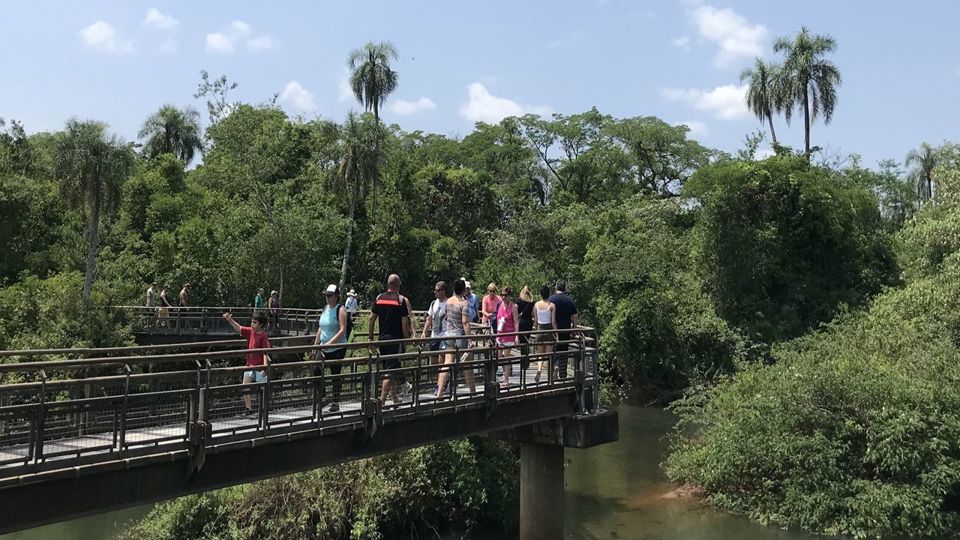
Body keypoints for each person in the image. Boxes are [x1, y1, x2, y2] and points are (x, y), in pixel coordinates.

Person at [369, 274, 411, 404]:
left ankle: (394, 398)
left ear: (388, 284)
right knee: (391, 370)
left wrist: (370, 337)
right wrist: (405, 337)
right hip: (395, 340)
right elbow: (405, 322)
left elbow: (371, 318)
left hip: (382, 339)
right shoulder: (400, 300)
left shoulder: (379, 298)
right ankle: (381, 401)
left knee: (388, 367)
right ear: (398, 285)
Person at [223, 311, 272, 415]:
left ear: (261, 324)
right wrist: (230, 320)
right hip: (250, 365)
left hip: (260, 366)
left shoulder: (264, 336)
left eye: (254, 322)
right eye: (252, 322)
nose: (252, 324)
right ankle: (248, 408)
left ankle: (264, 409)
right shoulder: (251, 331)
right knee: (245, 386)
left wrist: (264, 367)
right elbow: (239, 328)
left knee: (263, 389)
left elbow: (265, 352)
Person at [313, 284, 349, 412]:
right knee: (316, 369)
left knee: (335, 374)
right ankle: (323, 396)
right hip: (323, 346)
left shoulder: (341, 309)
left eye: (330, 295)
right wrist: (316, 344)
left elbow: (343, 330)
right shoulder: (325, 308)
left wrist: (330, 343)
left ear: (336, 296)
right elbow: (321, 327)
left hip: (337, 348)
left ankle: (335, 402)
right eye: (326, 295)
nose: (327, 298)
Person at [436, 278, 475, 398]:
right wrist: (469, 340)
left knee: (447, 362)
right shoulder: (464, 303)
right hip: (459, 335)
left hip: (448, 334)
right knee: (467, 364)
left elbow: (447, 317)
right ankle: (473, 392)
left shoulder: (449, 301)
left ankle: (440, 392)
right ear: (464, 290)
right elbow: (465, 322)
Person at [548, 279, 578, 379]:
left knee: (553, 350)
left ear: (556, 287)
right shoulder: (570, 300)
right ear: (565, 288)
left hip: (553, 330)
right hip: (566, 330)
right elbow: (574, 317)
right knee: (564, 352)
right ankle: (563, 374)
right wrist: (574, 329)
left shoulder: (550, 299)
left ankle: (553, 369)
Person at [494, 286, 520, 388]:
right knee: (500, 357)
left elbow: (516, 322)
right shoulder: (500, 305)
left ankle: (506, 378)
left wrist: (517, 336)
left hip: (509, 335)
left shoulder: (513, 307)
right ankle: (505, 373)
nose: (503, 297)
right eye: (502, 295)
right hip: (500, 334)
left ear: (509, 296)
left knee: (507, 357)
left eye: (505, 295)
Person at [531, 285, 558, 383]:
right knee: (549, 355)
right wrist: (556, 333)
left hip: (540, 330)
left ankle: (539, 370)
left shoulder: (536, 305)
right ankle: (551, 376)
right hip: (549, 330)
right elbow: (553, 321)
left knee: (540, 355)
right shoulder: (552, 305)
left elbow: (536, 321)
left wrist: (536, 330)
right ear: (549, 294)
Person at [422, 281, 448, 361]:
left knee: (441, 361)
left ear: (443, 291)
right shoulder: (433, 303)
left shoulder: (448, 303)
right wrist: (424, 332)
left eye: (437, 290)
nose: (435, 292)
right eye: (435, 290)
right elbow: (429, 319)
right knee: (433, 361)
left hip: (444, 336)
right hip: (434, 337)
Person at [516, 286, 535, 370]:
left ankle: (523, 361)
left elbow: (516, 312)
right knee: (527, 340)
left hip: (522, 322)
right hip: (529, 322)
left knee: (522, 342)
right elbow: (533, 313)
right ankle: (526, 361)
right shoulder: (532, 302)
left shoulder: (519, 301)